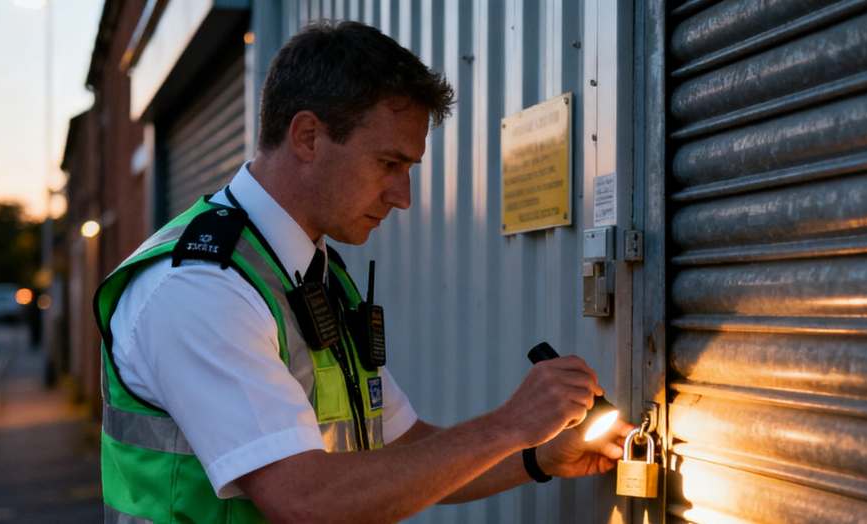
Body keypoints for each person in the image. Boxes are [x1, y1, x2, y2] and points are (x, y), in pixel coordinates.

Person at [94, 20, 632, 523]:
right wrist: (509, 425)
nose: (402, 196)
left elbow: (403, 450)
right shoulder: (200, 287)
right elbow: (302, 496)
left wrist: (537, 455)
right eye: (389, 164)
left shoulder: (310, 272)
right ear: (308, 137)